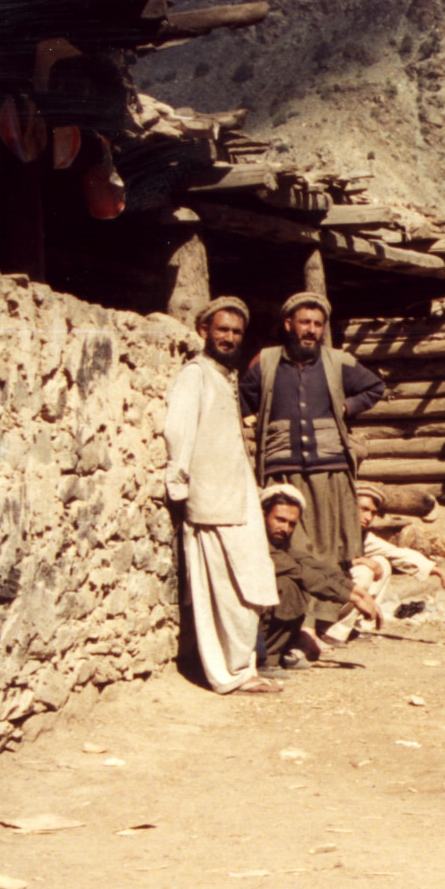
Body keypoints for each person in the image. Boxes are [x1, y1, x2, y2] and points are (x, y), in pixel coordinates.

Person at [163, 296, 280, 695]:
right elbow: (179, 430)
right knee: (223, 593)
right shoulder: (194, 375)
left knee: (249, 584)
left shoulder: (222, 376)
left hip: (238, 498)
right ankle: (228, 675)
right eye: (222, 330)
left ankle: (244, 666)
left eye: (235, 332)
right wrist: (179, 485)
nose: (229, 338)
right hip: (211, 500)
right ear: (203, 332)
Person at [239, 292, 385, 575]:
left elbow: (375, 387)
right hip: (282, 469)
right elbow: (243, 397)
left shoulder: (337, 361)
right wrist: (250, 418)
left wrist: (347, 406)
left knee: (330, 542)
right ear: (288, 324)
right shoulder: (266, 362)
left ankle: (327, 607)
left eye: (318, 324)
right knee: (288, 541)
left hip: (329, 470)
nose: (311, 330)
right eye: (304, 322)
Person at [259, 484, 382, 675]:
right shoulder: (256, 542)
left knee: (306, 577)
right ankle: (265, 659)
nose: (285, 528)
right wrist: (355, 598)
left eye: (291, 524)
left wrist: (360, 592)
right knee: (289, 586)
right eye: (280, 520)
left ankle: (279, 650)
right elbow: (301, 572)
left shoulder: (281, 543)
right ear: (263, 514)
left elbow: (314, 566)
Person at [322, 484, 445, 643]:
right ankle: (331, 633)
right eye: (364, 509)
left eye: (373, 512)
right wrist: (357, 561)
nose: (369, 517)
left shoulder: (361, 536)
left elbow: (396, 553)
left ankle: (359, 626)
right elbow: (318, 565)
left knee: (382, 563)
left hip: (338, 595)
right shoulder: (328, 528)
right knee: (364, 571)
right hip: (317, 600)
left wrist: (440, 573)